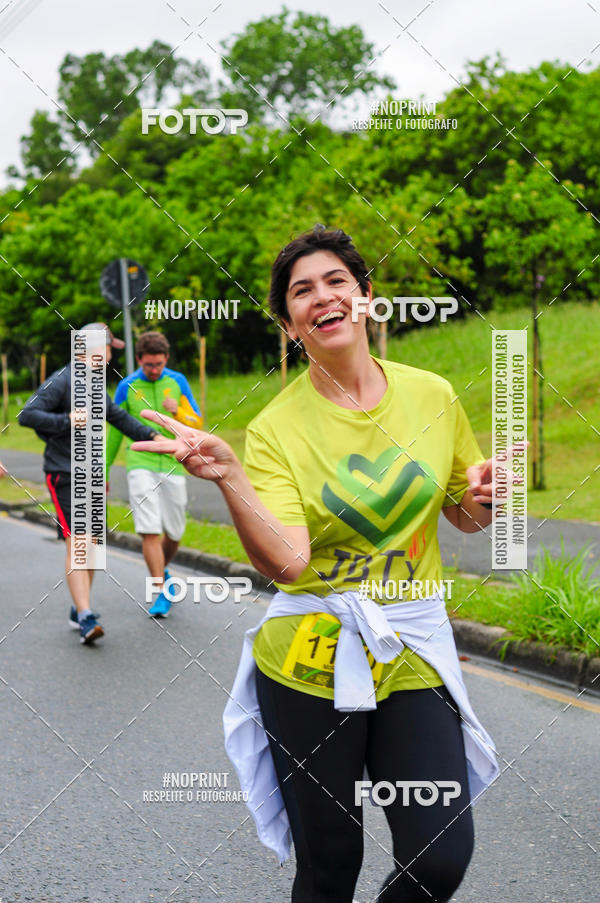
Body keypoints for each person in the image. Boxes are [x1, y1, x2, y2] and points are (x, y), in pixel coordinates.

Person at [131, 227, 508, 903]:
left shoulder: (432, 395)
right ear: (288, 324)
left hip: (412, 644)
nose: (323, 297)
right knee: (330, 866)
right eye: (301, 292)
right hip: (308, 655)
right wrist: (231, 477)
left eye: (337, 281)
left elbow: (464, 514)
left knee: (440, 855)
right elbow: (288, 563)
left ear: (366, 295)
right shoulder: (276, 427)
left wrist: (486, 497)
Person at [18, 323, 161, 645]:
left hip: (91, 474)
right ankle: (85, 615)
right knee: (79, 542)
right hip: (64, 473)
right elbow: (27, 415)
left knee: (93, 545)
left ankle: (78, 607)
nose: (111, 356)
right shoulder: (62, 380)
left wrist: (155, 437)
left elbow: (119, 418)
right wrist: (67, 420)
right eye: (110, 349)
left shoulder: (95, 384)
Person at [106, 331, 203, 618]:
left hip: (173, 463)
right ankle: (160, 590)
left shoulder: (177, 381)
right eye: (149, 365)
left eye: (159, 364)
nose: (154, 370)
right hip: (140, 462)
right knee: (149, 529)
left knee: (175, 532)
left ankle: (163, 570)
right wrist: (103, 469)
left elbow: (197, 422)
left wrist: (179, 412)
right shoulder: (126, 386)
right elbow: (115, 431)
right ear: (139, 360)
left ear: (166, 359)